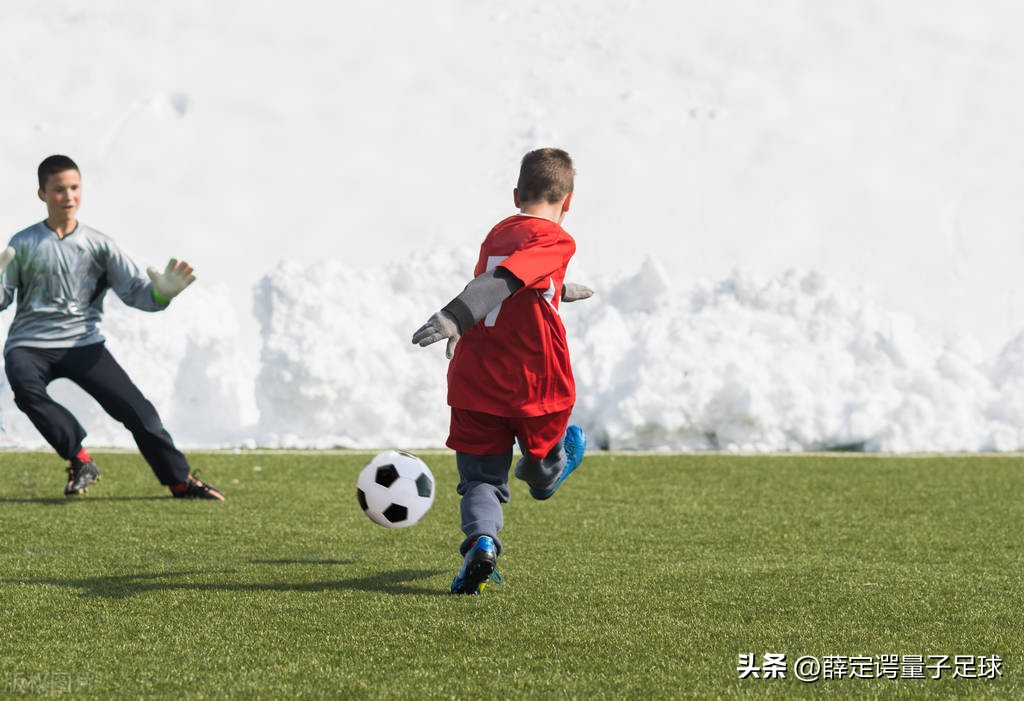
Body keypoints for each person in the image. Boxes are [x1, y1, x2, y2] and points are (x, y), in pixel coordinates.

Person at [412, 147, 592, 594]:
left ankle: (483, 543)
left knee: (481, 480)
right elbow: (505, 280)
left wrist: (555, 289)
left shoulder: (498, 233)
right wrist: (456, 315)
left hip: (475, 381)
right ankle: (545, 470)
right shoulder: (557, 239)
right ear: (568, 201)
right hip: (534, 383)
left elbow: (511, 275)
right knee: (543, 463)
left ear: (516, 196)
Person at [0, 155, 224, 500]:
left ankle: (180, 481)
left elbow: (137, 293)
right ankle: (80, 459)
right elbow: (3, 298)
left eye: (74, 188)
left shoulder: (100, 245)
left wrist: (162, 294)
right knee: (26, 390)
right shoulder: (23, 243)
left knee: (139, 413)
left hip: (84, 344)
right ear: (42, 194)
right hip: (29, 346)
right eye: (59, 189)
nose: (68, 196)